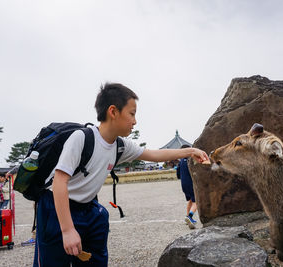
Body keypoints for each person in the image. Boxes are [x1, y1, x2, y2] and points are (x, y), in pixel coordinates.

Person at [34, 83, 209, 267]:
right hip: (56, 208)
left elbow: (154, 154)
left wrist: (190, 151)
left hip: (89, 208)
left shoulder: (120, 145)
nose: (135, 121)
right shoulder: (81, 138)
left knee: (96, 253)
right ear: (113, 111)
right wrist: (67, 229)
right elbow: (60, 182)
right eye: (132, 114)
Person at [177, 144, 198, 229]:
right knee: (196, 201)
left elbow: (178, 175)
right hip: (191, 183)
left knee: (190, 200)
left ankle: (188, 218)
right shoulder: (190, 160)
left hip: (184, 184)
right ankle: (189, 216)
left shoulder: (181, 162)